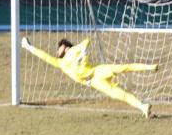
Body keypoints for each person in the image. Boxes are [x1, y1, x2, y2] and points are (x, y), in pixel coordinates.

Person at [21, 37, 157, 118]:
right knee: (121, 95)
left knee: (123, 68)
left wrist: (82, 53)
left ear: (65, 46)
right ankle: (143, 107)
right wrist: (28, 47)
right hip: (94, 81)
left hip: (97, 71)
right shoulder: (60, 63)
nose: (57, 51)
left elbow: (87, 41)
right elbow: (44, 56)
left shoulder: (74, 50)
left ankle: (149, 67)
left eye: (59, 47)